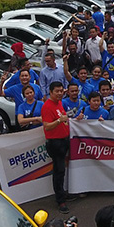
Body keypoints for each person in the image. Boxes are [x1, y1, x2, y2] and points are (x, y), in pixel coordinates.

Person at [42, 82, 72, 214]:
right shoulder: (47, 107)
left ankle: (62, 194)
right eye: (57, 91)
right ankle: (60, 200)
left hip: (63, 140)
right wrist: (60, 121)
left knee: (62, 169)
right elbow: (47, 126)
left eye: (61, 91)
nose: (60, 93)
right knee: (58, 170)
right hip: (55, 143)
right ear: (50, 92)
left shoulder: (59, 103)